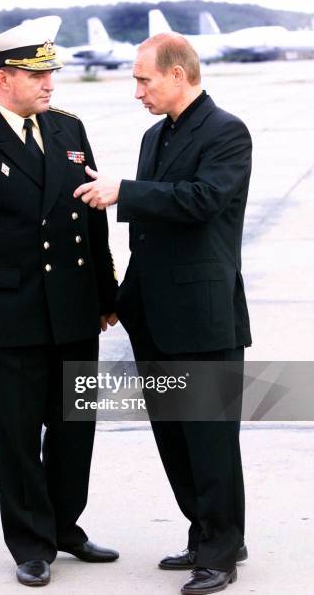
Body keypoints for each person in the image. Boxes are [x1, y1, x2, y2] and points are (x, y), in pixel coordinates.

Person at [0, 16, 119, 588]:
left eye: (51, 73)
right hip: (9, 316)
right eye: (39, 75)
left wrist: (105, 295)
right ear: (4, 77)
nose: (50, 85)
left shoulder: (69, 129)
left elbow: (93, 223)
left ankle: (66, 526)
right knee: (17, 434)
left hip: (72, 309)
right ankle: (31, 542)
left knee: (74, 426)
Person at [74, 33, 252, 595]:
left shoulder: (226, 132)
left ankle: (222, 552)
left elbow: (201, 200)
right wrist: (121, 299)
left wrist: (124, 190)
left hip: (202, 316)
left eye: (143, 80)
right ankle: (205, 535)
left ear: (179, 75)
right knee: (174, 436)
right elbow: (152, 232)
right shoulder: (155, 135)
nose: (137, 91)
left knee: (210, 438)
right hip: (153, 315)